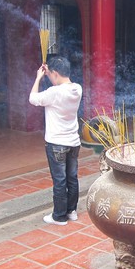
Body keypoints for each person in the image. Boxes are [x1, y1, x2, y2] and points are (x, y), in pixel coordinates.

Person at [29, 56, 82, 225]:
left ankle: (59, 216)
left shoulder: (54, 92)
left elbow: (33, 99)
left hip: (57, 143)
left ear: (56, 73)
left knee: (60, 181)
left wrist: (38, 77)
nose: (50, 78)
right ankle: (71, 211)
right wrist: (48, 73)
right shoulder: (77, 89)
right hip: (73, 141)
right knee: (72, 178)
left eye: (50, 75)